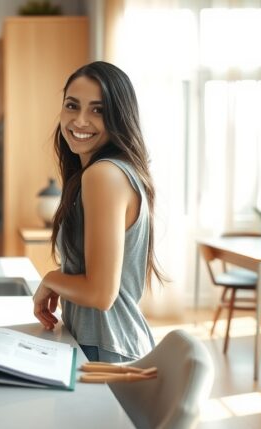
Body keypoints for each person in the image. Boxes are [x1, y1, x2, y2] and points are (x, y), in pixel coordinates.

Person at [32, 61, 165, 363]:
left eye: (98, 110)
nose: (79, 120)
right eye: (72, 105)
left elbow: (100, 294)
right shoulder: (109, 172)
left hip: (106, 351)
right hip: (107, 344)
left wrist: (52, 279)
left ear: (119, 117)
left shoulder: (103, 175)